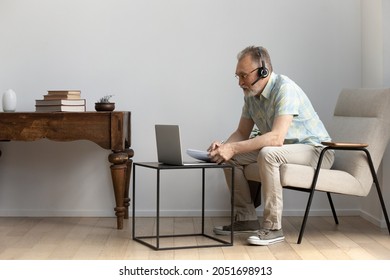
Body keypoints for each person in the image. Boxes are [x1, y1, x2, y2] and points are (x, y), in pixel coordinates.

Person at [207, 46, 335, 246]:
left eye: (244, 76)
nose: (240, 83)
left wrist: (233, 147)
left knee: (269, 153)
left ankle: (273, 227)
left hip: (316, 151)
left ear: (263, 71)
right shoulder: (250, 94)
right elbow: (241, 132)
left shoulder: (285, 89)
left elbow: (276, 138)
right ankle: (246, 218)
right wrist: (224, 147)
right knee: (229, 157)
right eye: (237, 77)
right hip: (283, 149)